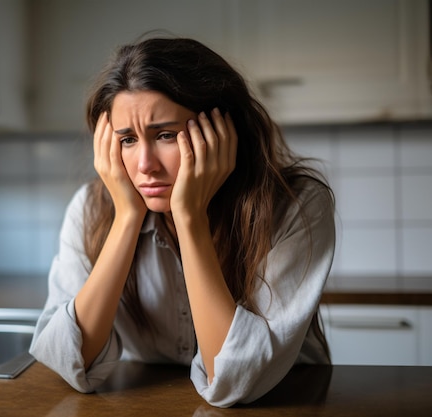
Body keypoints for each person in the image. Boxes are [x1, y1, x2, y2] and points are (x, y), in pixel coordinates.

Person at [29, 36, 335, 408]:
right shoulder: (90, 210)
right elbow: (68, 362)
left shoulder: (297, 206)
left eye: (165, 135)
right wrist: (127, 218)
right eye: (127, 139)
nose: (145, 165)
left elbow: (238, 382)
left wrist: (190, 218)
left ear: (223, 133)